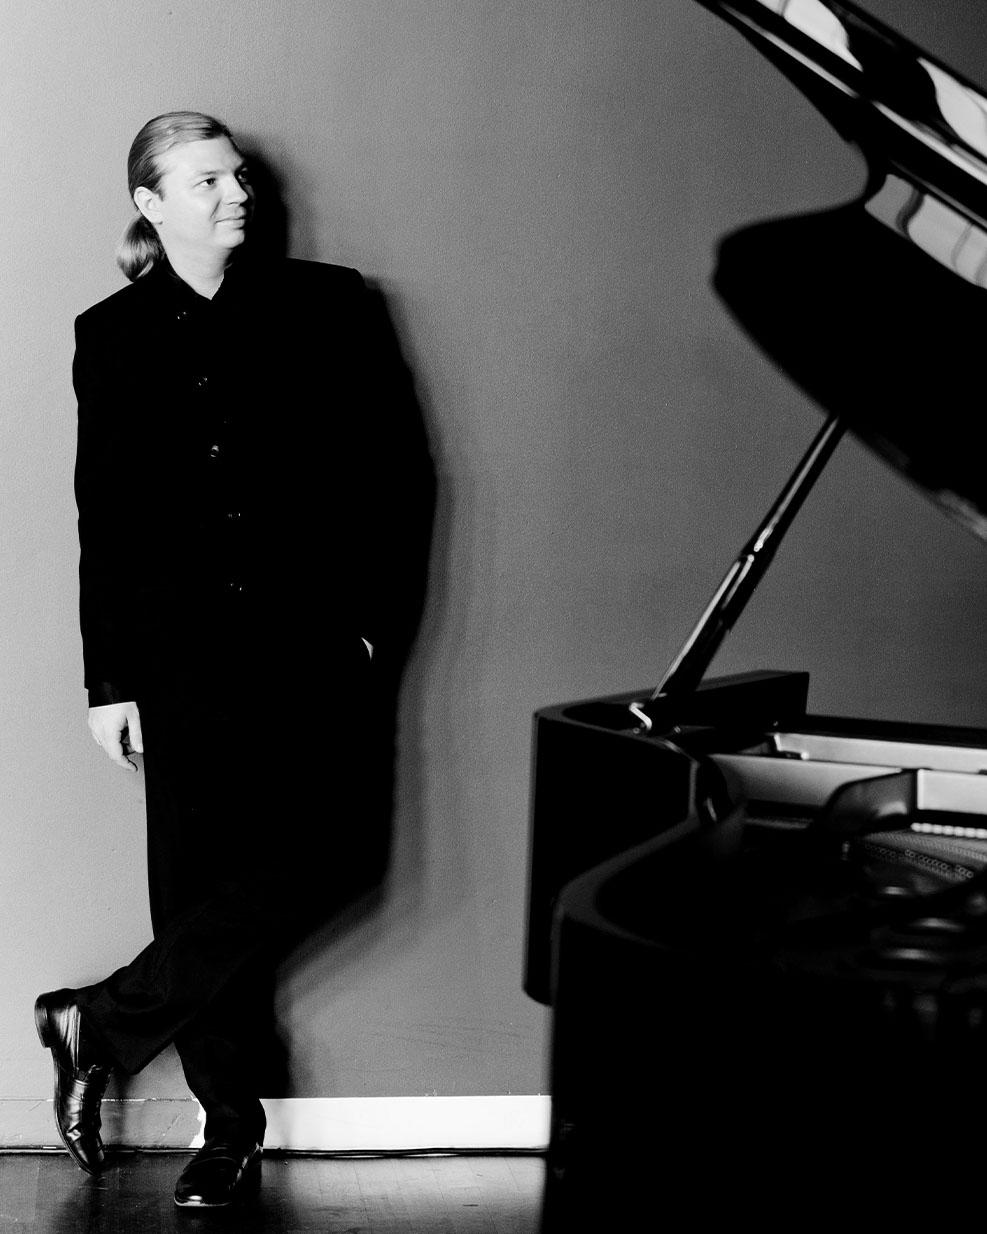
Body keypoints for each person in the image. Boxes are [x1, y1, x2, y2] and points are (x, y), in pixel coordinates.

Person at [35, 111, 426, 1209]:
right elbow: (106, 519)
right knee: (199, 888)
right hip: (178, 657)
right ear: (152, 203)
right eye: (206, 180)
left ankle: (100, 1020)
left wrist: (369, 625)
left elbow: (401, 477)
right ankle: (229, 1132)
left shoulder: (331, 304)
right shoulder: (111, 334)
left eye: (239, 176)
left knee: (339, 853)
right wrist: (108, 681)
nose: (236, 193)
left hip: (314, 644)